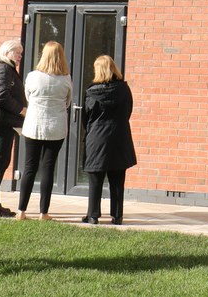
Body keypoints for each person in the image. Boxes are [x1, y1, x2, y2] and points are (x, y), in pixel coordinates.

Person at [15, 40, 73, 220]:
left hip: (33, 125)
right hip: (56, 127)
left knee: (29, 167)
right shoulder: (66, 79)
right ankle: (43, 212)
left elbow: (28, 98)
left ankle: (21, 211)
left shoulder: (32, 76)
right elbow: (68, 102)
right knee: (48, 168)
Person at [81, 54, 137, 225]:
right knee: (118, 178)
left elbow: (86, 117)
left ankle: (93, 215)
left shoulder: (92, 92)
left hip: (97, 137)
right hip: (120, 136)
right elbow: (128, 112)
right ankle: (117, 215)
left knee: (95, 178)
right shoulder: (124, 89)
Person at [0, 39, 26, 218]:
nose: (20, 56)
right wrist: (21, 109)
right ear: (7, 52)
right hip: (2, 123)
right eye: (17, 52)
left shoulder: (6, 69)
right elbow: (1, 95)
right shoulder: (3, 69)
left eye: (21, 53)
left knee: (2, 162)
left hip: (6, 123)